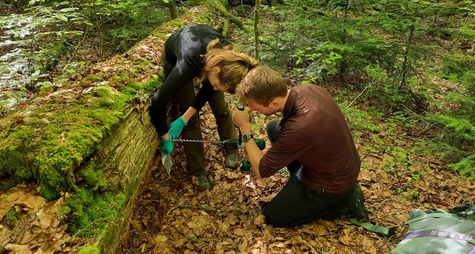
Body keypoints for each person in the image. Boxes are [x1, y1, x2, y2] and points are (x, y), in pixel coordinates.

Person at [232, 65, 368, 227]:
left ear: (274, 103)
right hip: (341, 167)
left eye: (254, 106)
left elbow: (262, 170)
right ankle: (309, 188)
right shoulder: (310, 89)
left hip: (329, 185)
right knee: (274, 128)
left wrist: (245, 129)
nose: (253, 109)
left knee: (274, 216)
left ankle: (343, 204)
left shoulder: (301, 127)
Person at [149, 24, 258, 190]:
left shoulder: (226, 58)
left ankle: (230, 144)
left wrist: (183, 118)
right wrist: (166, 136)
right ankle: (197, 170)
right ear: (214, 70)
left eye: (217, 86)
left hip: (204, 57)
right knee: (191, 121)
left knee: (221, 108)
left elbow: (208, 90)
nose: (214, 89)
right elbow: (157, 103)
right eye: (216, 85)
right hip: (177, 59)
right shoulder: (187, 64)